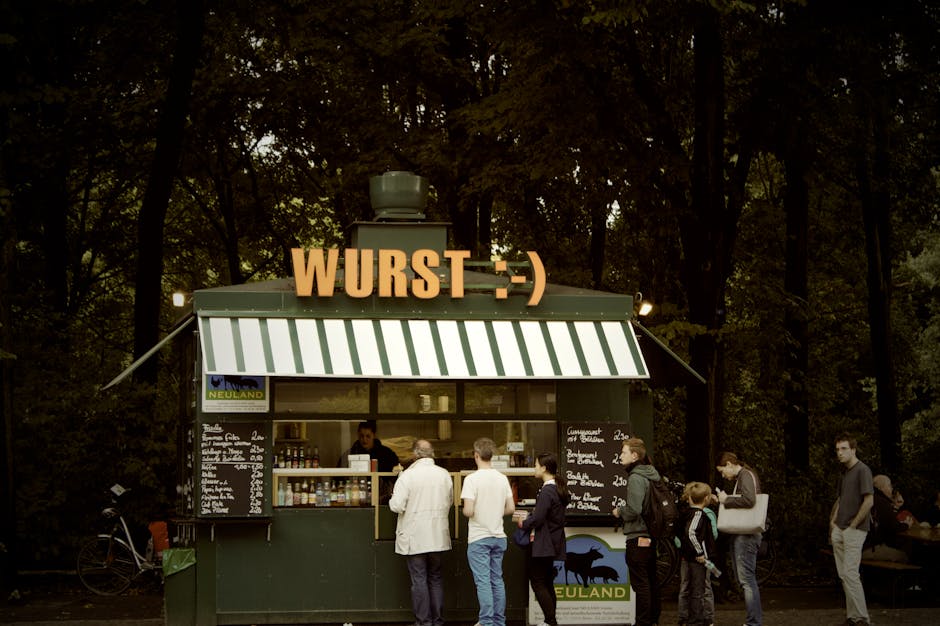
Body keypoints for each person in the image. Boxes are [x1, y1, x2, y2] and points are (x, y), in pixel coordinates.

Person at [388, 439, 453, 626]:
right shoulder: (444, 474)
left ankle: (423, 622)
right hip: (437, 534)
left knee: (419, 579)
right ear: (431, 454)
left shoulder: (408, 476)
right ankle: (438, 621)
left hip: (415, 535)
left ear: (415, 454)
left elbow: (397, 506)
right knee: (436, 577)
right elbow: (448, 501)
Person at [461, 438, 515, 626]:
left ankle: (486, 621)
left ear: (476, 455)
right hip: (499, 537)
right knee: (496, 580)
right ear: (491, 456)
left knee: (483, 582)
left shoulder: (471, 479)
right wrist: (494, 510)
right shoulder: (502, 478)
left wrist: (474, 510)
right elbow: (511, 508)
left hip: (479, 538)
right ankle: (499, 621)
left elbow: (468, 511)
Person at [611, 437, 661, 626]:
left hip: (637, 536)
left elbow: (634, 509)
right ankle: (653, 620)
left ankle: (642, 623)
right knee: (650, 581)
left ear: (634, 455)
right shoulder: (652, 474)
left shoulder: (636, 477)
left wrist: (619, 511)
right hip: (651, 535)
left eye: (623, 452)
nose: (620, 456)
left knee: (641, 585)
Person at [516, 453, 569, 626]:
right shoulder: (557, 489)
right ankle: (550, 621)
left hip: (543, 543)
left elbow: (538, 518)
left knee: (538, 582)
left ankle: (550, 621)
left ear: (544, 468)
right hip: (553, 542)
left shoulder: (547, 490)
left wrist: (524, 522)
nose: (534, 468)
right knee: (547, 582)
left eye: (536, 465)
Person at [830, 433, 874, 626]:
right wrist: (833, 521)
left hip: (854, 529)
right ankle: (853, 617)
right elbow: (840, 499)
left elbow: (869, 500)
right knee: (844, 575)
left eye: (844, 449)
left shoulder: (863, 470)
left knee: (850, 573)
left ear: (853, 450)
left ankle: (863, 618)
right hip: (839, 528)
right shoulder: (844, 473)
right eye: (838, 449)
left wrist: (854, 525)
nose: (840, 453)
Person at [715, 451, 763, 626]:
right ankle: (753, 621)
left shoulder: (745, 476)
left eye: (722, 471)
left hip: (746, 535)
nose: (723, 475)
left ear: (729, 464)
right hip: (744, 534)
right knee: (745, 580)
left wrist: (726, 500)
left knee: (747, 580)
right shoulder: (743, 477)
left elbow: (749, 501)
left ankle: (753, 622)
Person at [677, 482, 717, 626]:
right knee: (698, 590)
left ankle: (684, 618)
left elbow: (679, 533)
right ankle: (697, 620)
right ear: (707, 498)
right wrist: (699, 551)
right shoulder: (699, 514)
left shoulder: (684, 513)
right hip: (698, 559)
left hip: (685, 557)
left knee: (685, 587)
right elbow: (690, 532)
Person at [864, 475, 911, 563]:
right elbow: (894, 527)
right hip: (867, 548)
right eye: (889, 486)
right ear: (882, 488)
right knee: (904, 556)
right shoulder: (881, 502)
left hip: (856, 546)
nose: (891, 489)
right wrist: (906, 525)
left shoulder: (868, 497)